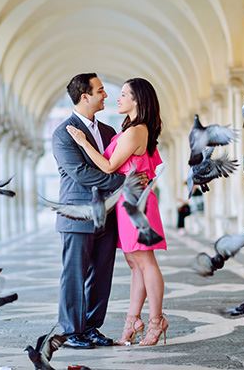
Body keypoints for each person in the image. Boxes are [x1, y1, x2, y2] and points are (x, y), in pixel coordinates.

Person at [66, 77, 168, 346]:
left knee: (146, 263)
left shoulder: (135, 131)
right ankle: (133, 320)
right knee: (135, 264)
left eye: (124, 94)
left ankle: (156, 321)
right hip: (127, 202)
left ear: (137, 100)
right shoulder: (128, 129)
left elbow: (110, 166)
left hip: (137, 203)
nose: (117, 98)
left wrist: (83, 142)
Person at [52, 73, 128, 349]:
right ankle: (72, 331)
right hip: (76, 216)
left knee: (101, 275)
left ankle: (92, 327)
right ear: (85, 96)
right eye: (100, 91)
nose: (106, 95)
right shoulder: (63, 133)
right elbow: (80, 173)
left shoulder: (108, 132)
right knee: (74, 275)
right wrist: (123, 182)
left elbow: (118, 163)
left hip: (107, 215)